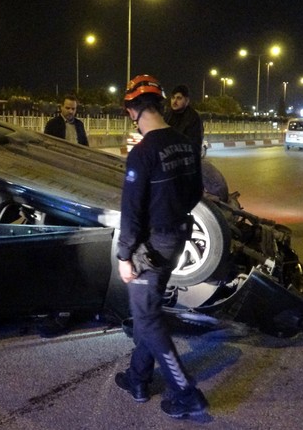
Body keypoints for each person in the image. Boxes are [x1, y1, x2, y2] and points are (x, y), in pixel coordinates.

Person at [113, 74, 208, 419]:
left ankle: (186, 393)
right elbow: (197, 192)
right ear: (160, 104)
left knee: (149, 319)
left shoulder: (143, 153)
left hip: (149, 247)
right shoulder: (184, 143)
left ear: (131, 112)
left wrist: (125, 255)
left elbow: (131, 212)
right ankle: (138, 378)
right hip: (176, 238)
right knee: (146, 311)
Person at [164, 84, 204, 150]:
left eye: (179, 98)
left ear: (187, 100)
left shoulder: (193, 118)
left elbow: (195, 143)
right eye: (173, 98)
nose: (174, 101)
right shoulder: (167, 115)